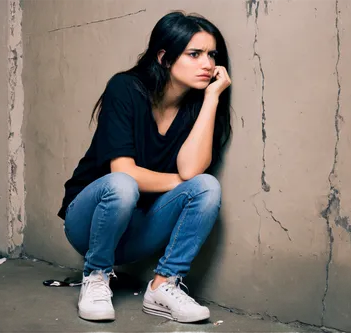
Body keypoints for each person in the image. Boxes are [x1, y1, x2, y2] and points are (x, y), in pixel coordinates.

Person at [57, 10, 232, 323]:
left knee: (207, 185)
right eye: (195, 54)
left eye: (211, 55)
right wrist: (179, 185)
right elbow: (123, 171)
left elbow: (192, 172)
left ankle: (163, 285)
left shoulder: (197, 106)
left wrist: (211, 100)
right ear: (164, 58)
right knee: (122, 184)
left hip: (138, 232)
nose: (208, 64)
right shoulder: (125, 89)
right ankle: (96, 276)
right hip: (89, 224)